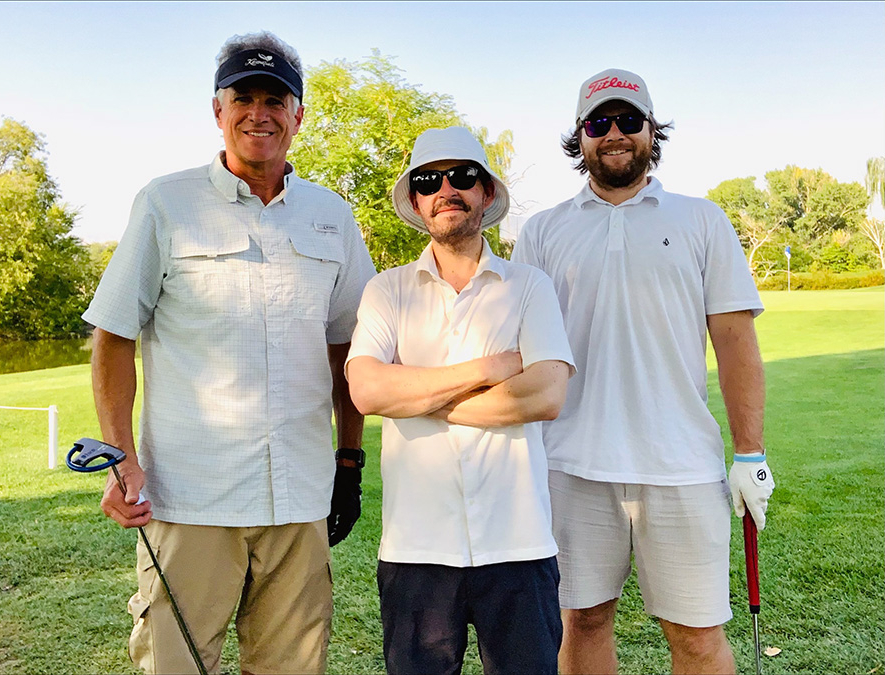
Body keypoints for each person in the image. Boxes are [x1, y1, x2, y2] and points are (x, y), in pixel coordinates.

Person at [82, 31, 376, 675]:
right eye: (244, 96)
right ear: (217, 110)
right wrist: (120, 457)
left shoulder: (333, 217)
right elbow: (113, 337)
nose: (260, 113)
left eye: (277, 98)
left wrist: (349, 463)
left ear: (298, 115)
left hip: (299, 499)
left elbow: (350, 351)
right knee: (177, 666)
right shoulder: (166, 202)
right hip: (189, 498)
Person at [511, 69, 776, 675]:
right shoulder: (542, 231)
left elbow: (736, 342)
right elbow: (518, 349)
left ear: (653, 132)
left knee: (698, 639)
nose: (614, 134)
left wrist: (749, 453)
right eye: (598, 123)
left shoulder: (701, 219)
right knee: (582, 623)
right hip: (569, 465)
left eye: (628, 121)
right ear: (580, 137)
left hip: (680, 464)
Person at [345, 126, 576, 675]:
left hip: (518, 545)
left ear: (486, 193)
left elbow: (545, 393)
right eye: (429, 180)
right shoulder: (387, 291)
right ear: (418, 200)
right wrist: (494, 368)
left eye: (463, 176)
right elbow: (366, 390)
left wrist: (417, 393)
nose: (446, 189)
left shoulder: (530, 286)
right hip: (416, 549)